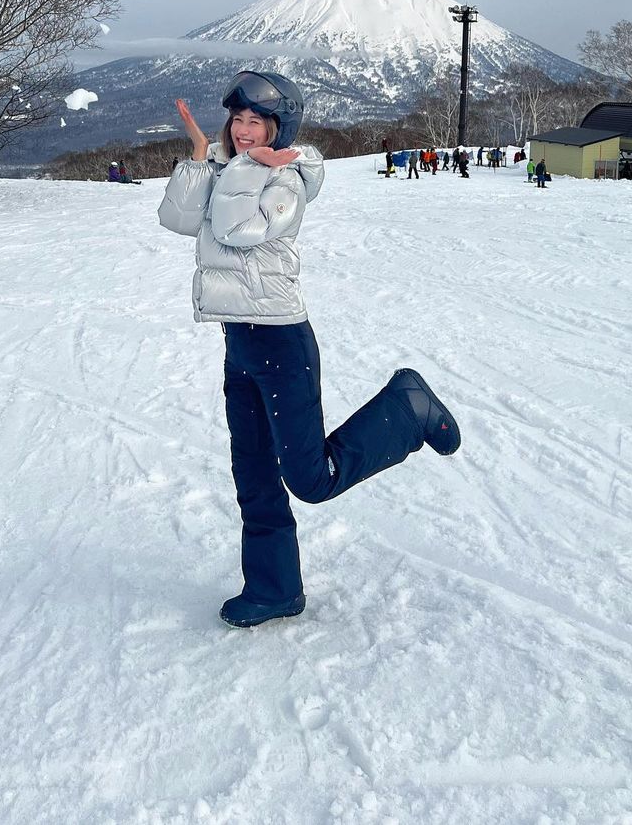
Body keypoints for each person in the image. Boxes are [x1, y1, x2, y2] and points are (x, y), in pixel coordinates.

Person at [159, 70, 461, 630]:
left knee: (310, 479)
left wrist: (247, 168)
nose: (244, 131)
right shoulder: (230, 169)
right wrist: (201, 158)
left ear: (280, 129)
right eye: (238, 120)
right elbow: (176, 219)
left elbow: (234, 228)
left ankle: (409, 407)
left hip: (280, 340)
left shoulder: (287, 180)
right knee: (253, 474)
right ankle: (274, 589)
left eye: (257, 122)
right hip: (239, 341)